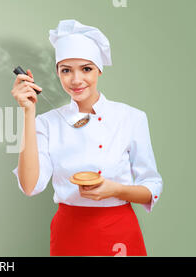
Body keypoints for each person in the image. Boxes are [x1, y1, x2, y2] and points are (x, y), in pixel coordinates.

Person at [11, 19, 163, 256]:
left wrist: (115, 190)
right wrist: (28, 112)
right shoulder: (46, 123)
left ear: (99, 69)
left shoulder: (131, 118)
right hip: (69, 232)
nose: (76, 80)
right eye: (66, 70)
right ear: (58, 73)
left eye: (86, 69)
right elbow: (30, 186)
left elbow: (151, 186)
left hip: (119, 231)